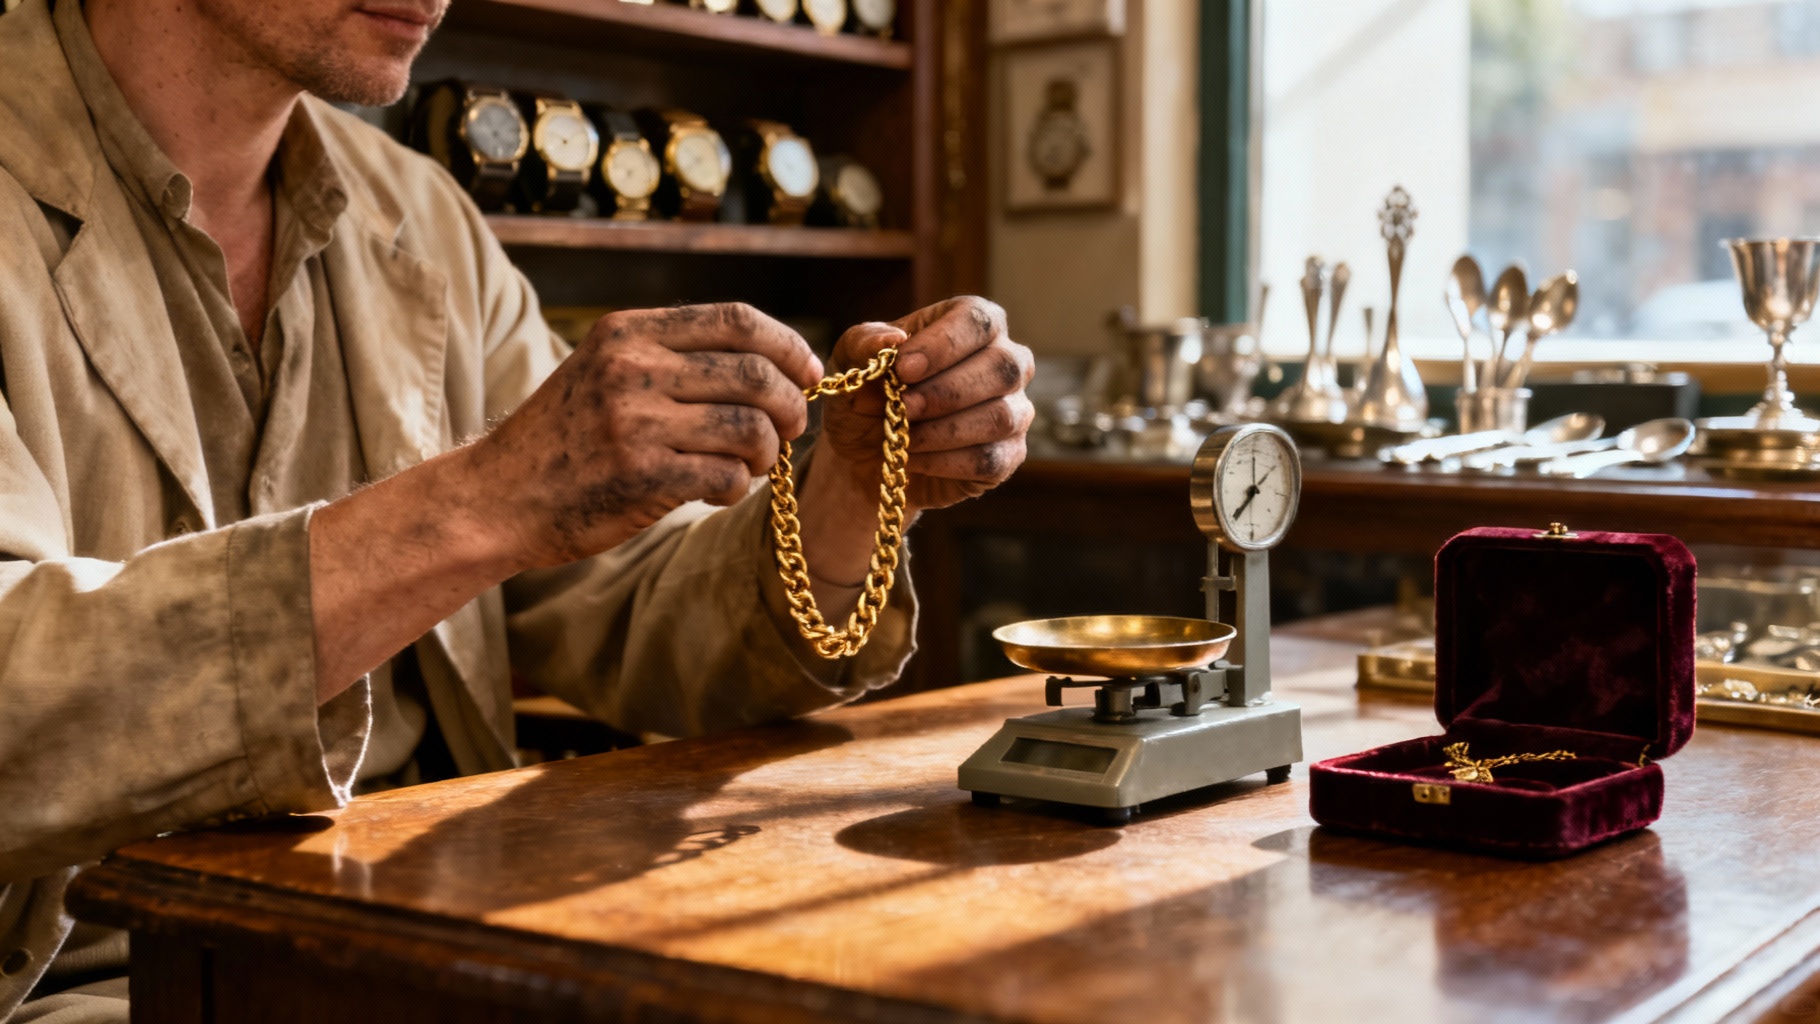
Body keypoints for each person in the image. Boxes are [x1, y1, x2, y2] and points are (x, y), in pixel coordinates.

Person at [0, 0, 1035, 1019]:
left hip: (415, 940)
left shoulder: (419, 215)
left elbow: (624, 603)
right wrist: (480, 501)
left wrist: (849, 491)